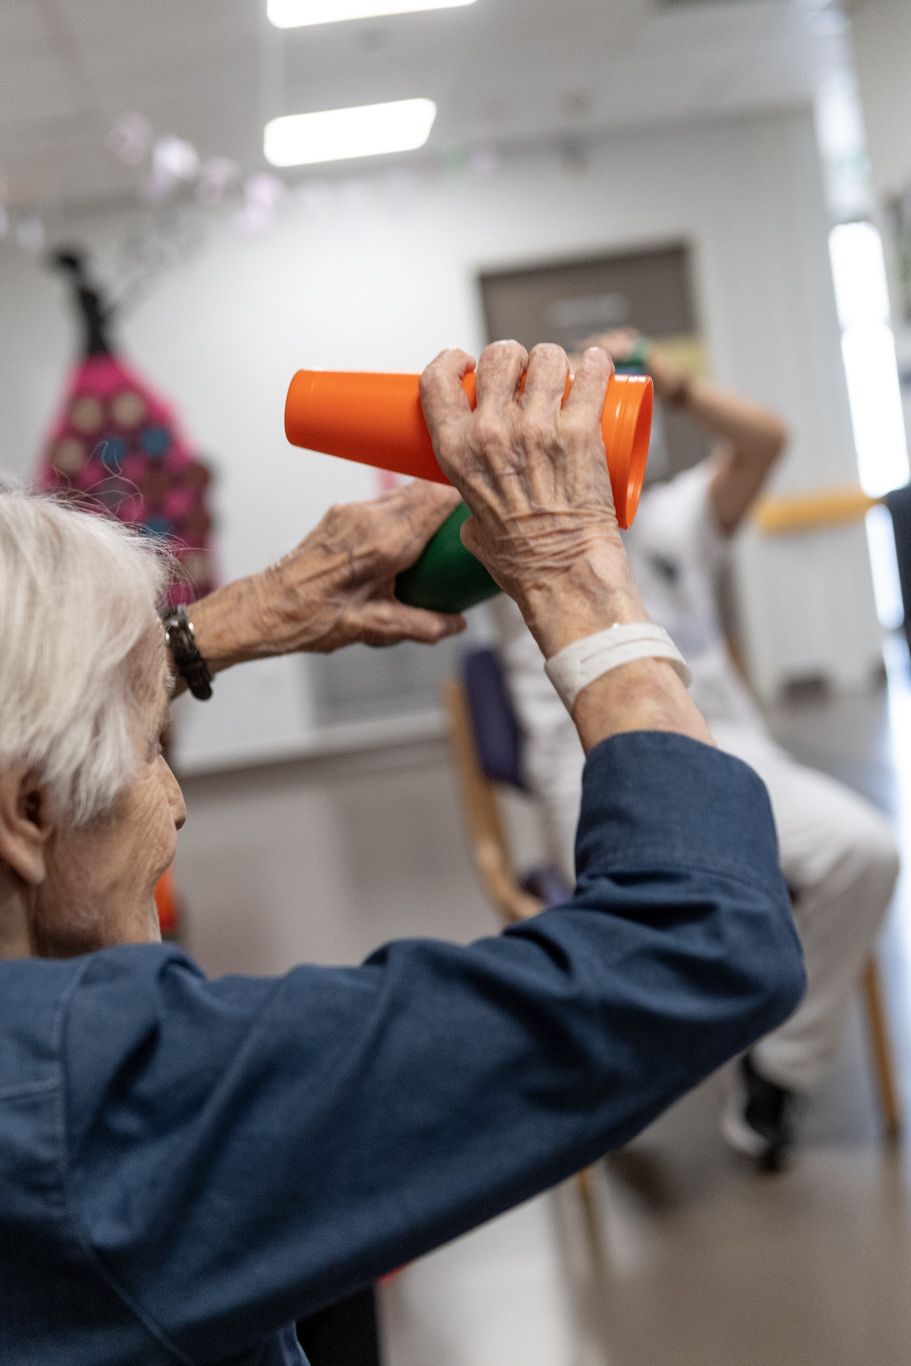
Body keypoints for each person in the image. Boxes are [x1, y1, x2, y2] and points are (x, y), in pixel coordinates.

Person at [0, 342, 804, 1366]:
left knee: (336, 1290)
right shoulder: (97, 1118)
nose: (175, 803)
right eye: (145, 749)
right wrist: (573, 577)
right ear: (26, 814)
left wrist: (227, 624)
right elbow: (700, 941)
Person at [490, 330, 899, 1172]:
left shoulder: (675, 516)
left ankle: (775, 1071)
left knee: (865, 850)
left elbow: (766, 440)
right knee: (683, 905)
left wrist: (662, 380)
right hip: (596, 776)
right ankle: (635, 1080)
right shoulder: (506, 537)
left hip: (733, 756)